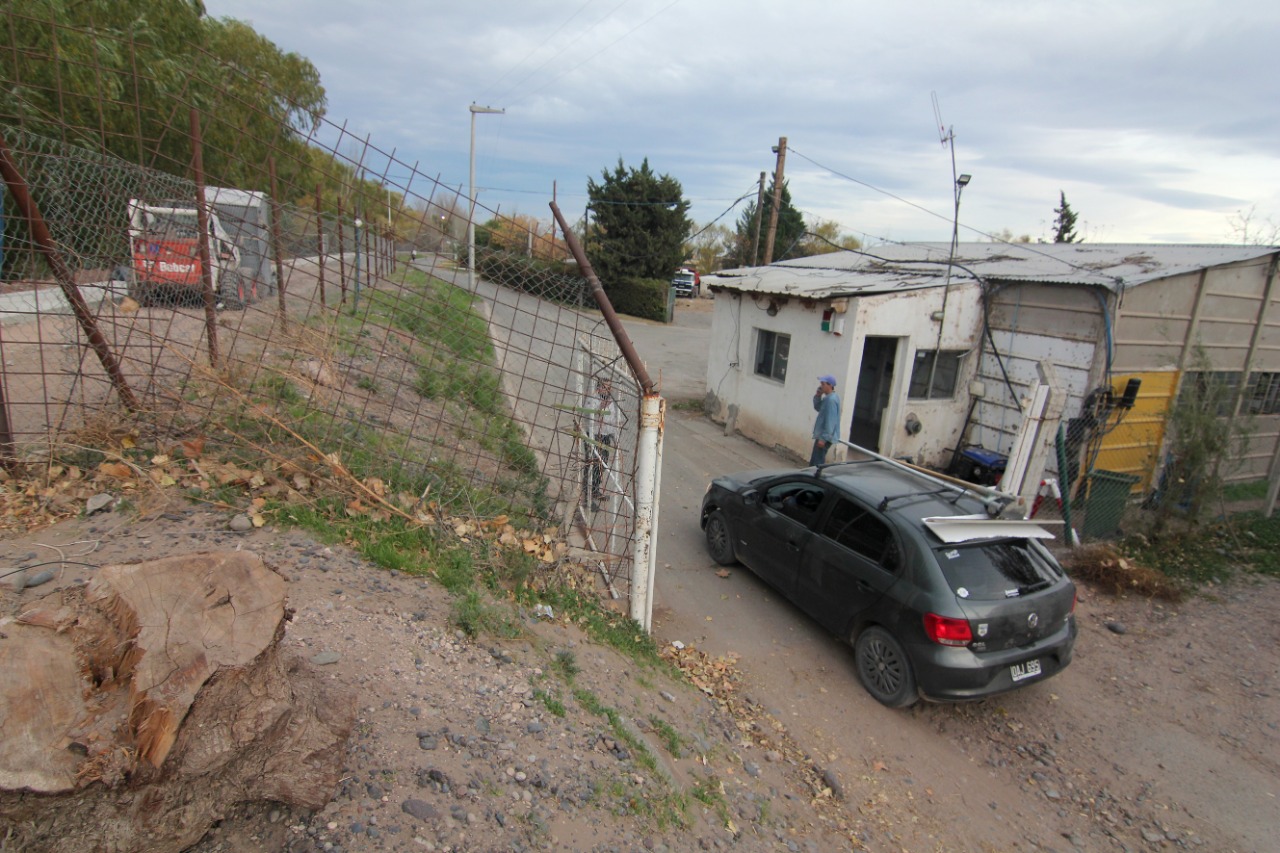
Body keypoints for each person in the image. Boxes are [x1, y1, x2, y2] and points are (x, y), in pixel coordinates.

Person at [591, 379, 622, 507]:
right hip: (594, 435)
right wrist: (599, 408)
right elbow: (588, 416)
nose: (607, 390)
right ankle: (587, 495)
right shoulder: (593, 399)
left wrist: (615, 437)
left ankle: (594, 489)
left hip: (606, 436)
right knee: (592, 463)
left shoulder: (611, 402)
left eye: (609, 387)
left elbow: (613, 420)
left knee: (603, 464)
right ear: (598, 388)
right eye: (604, 387)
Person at [810, 374, 841, 467]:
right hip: (823, 435)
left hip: (825, 437)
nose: (821, 386)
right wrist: (817, 396)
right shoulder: (828, 398)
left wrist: (823, 439)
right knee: (814, 461)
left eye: (823, 384)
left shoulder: (831, 400)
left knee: (817, 463)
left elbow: (830, 422)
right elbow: (818, 407)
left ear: (830, 385)